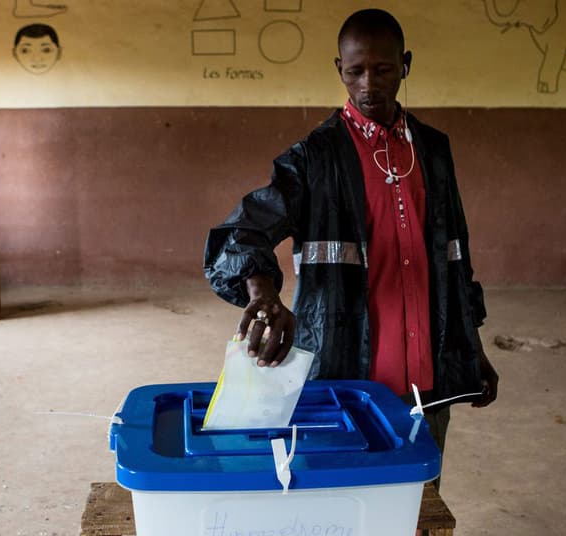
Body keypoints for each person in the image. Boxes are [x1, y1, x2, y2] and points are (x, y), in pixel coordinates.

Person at [203, 9, 499, 467]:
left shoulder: (434, 151)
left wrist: (472, 347)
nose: (368, 84)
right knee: (347, 497)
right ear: (338, 69)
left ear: (406, 64)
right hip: (343, 372)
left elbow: (456, 258)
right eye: (355, 71)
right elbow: (243, 230)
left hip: (428, 375)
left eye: (382, 70)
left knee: (421, 500)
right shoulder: (314, 158)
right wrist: (264, 295)